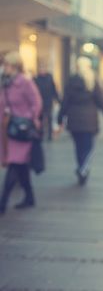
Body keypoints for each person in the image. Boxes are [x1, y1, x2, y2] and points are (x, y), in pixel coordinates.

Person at [0, 51, 42, 214]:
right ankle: (30, 197)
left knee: (15, 162)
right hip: (9, 129)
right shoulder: (5, 83)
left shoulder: (24, 82)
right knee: (21, 166)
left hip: (22, 130)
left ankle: (2, 202)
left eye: (8, 65)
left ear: (16, 66)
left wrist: (29, 119)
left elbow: (36, 102)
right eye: (4, 65)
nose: (5, 68)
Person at [57, 57, 103, 185]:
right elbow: (101, 100)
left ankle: (81, 166)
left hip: (74, 119)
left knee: (78, 146)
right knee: (88, 146)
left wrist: (60, 117)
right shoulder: (92, 81)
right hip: (89, 120)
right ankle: (83, 169)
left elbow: (65, 101)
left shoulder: (71, 81)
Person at [34, 64, 60, 141]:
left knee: (49, 117)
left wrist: (57, 99)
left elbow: (53, 89)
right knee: (40, 118)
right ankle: (41, 134)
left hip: (48, 101)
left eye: (43, 68)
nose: (42, 70)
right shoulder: (36, 79)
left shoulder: (49, 78)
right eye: (40, 68)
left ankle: (49, 135)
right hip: (39, 101)